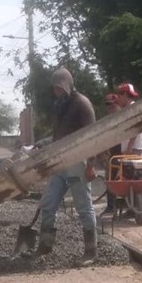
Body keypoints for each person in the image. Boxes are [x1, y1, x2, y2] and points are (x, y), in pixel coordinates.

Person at [36, 67, 98, 265]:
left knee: (83, 207)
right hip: (59, 164)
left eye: (60, 88)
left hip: (78, 163)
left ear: (68, 85)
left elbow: (93, 136)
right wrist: (44, 145)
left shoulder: (82, 104)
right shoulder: (60, 105)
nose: (57, 92)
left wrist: (91, 164)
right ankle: (45, 247)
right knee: (48, 204)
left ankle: (90, 251)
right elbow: (58, 134)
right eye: (55, 89)